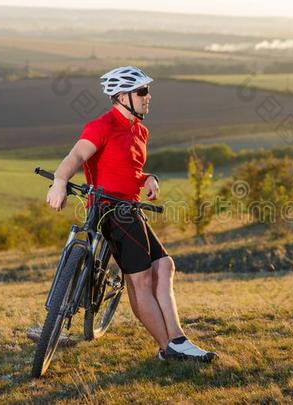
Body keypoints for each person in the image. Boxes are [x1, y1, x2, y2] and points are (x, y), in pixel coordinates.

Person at [46, 66, 217, 362]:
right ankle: (170, 347)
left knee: (164, 266)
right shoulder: (102, 126)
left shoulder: (140, 130)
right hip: (110, 210)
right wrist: (59, 182)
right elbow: (74, 157)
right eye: (141, 92)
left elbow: (129, 169)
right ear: (122, 96)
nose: (148, 97)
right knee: (140, 280)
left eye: (148, 90)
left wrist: (147, 178)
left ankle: (176, 339)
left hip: (130, 208)